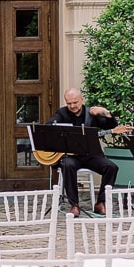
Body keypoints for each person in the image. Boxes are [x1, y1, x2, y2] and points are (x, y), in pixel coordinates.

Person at [47, 87, 119, 216]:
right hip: (72, 156)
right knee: (67, 165)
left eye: (75, 102)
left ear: (82, 100)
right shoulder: (62, 113)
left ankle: (100, 203)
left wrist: (105, 112)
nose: (72, 106)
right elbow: (49, 126)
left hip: (91, 155)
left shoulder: (91, 113)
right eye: (69, 103)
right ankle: (74, 205)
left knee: (111, 167)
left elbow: (111, 126)